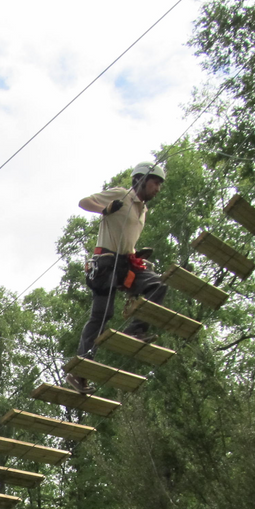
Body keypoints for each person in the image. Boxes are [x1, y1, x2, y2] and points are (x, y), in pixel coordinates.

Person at [69, 161, 168, 392]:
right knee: (102, 315)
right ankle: (80, 370)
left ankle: (135, 329)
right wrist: (104, 209)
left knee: (157, 285)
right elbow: (84, 202)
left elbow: (125, 238)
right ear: (141, 180)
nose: (158, 189)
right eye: (155, 183)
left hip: (125, 263)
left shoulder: (143, 210)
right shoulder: (123, 195)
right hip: (105, 263)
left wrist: (135, 254)